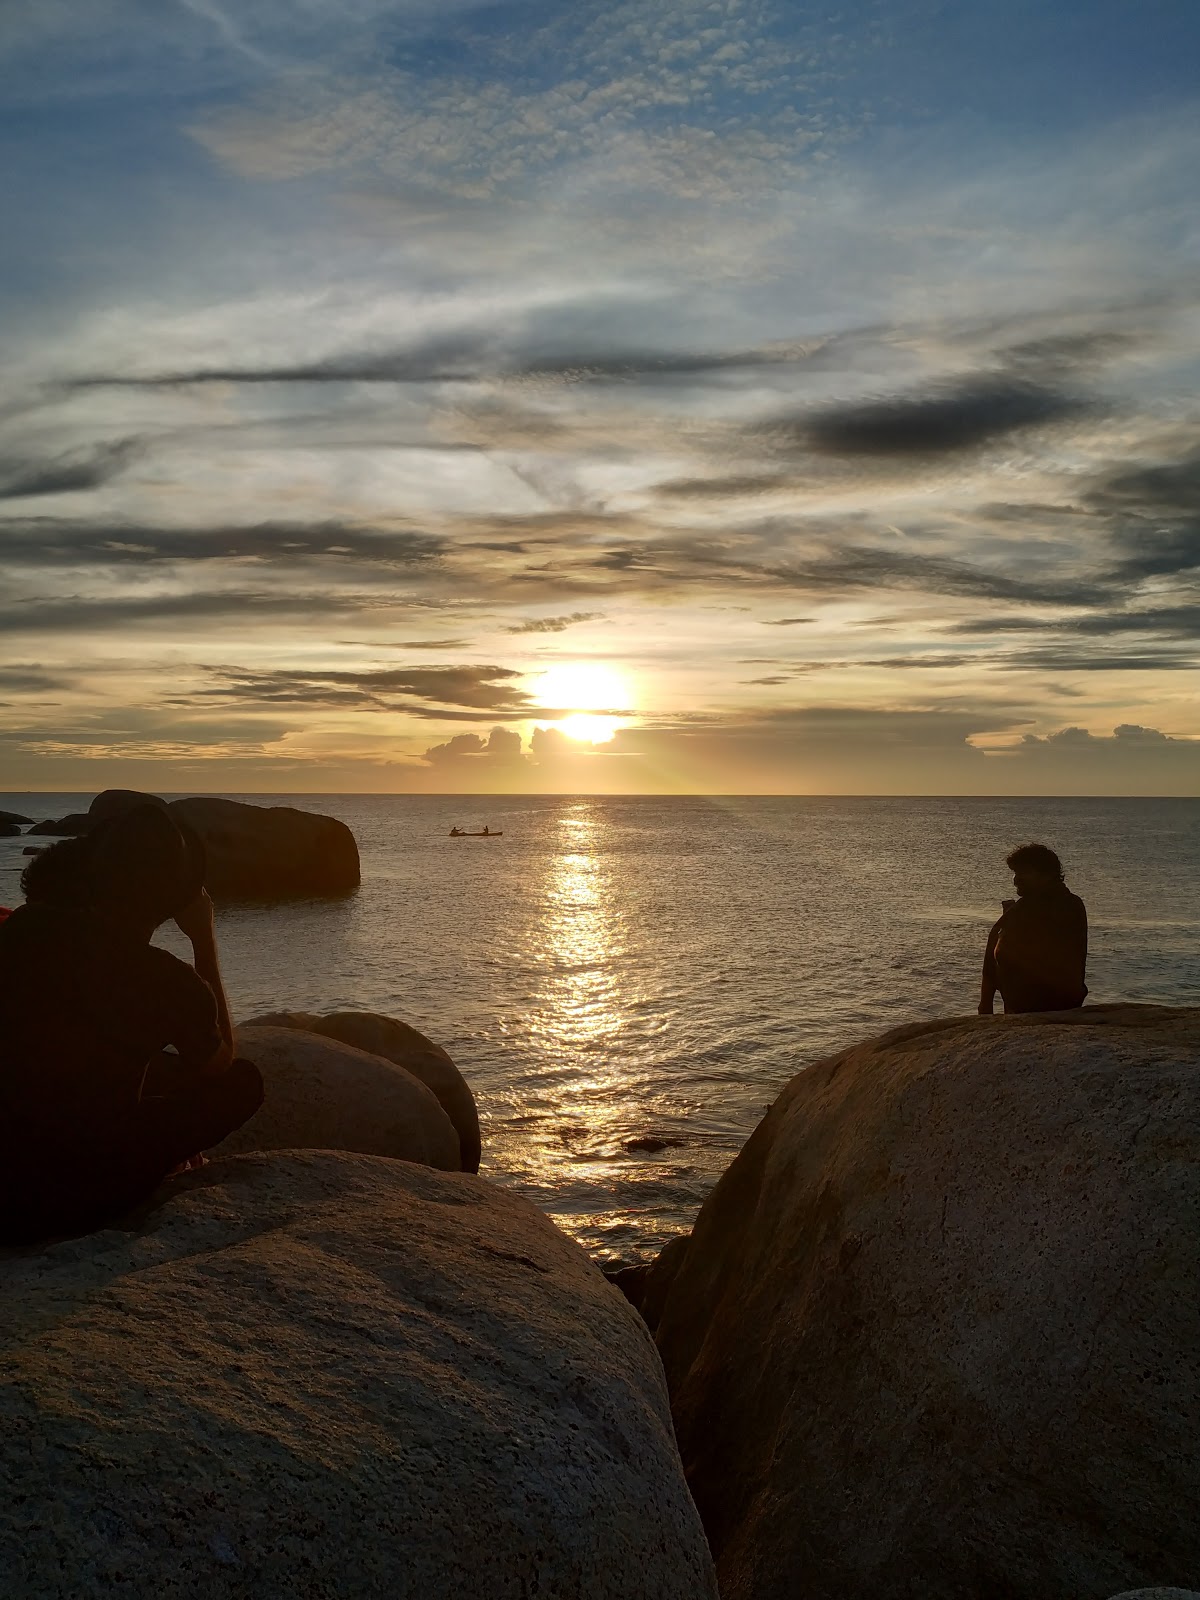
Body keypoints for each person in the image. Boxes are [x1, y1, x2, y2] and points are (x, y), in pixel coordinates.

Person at [0, 804, 263, 1246]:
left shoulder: (21, 929)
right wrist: (203, 938)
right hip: (67, 1198)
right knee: (243, 1082)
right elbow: (219, 1064)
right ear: (176, 899)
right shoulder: (165, 980)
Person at [979, 842, 1088, 1015]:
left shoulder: (1063, 906)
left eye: (1024, 872)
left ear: (1047, 875)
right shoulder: (1027, 907)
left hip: (1045, 1006)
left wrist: (986, 1005)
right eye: (1015, 873)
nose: (1016, 879)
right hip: (1038, 1003)